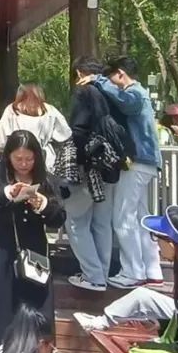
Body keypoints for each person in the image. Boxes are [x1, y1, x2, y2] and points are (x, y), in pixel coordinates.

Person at [75, 205, 178, 353]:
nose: (157, 245)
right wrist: (162, 325)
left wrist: (148, 347)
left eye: (157, 238)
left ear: (172, 245)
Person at [0, 130, 66, 352]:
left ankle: (36, 349)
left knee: (35, 301)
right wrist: (6, 194)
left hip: (35, 249)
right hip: (3, 249)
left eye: (29, 159)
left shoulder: (46, 179)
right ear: (9, 157)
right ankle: (0, 349)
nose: (24, 164)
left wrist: (43, 205)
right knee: (2, 299)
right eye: (18, 159)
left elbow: (59, 217)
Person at [95, 56, 164, 289]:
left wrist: (99, 81)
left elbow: (126, 103)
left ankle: (132, 271)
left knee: (123, 217)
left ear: (120, 74)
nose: (110, 82)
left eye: (111, 77)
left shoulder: (135, 93)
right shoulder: (141, 93)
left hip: (137, 162)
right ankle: (152, 269)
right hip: (145, 163)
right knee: (140, 217)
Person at [65, 57, 119, 293]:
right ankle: (102, 274)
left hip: (89, 166)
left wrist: (75, 162)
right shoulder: (112, 92)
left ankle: (93, 276)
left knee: (76, 221)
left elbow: (78, 130)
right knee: (102, 223)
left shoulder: (84, 92)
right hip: (110, 165)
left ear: (79, 73)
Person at [0, 84, 71, 170]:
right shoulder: (50, 110)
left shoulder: (11, 109)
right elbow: (65, 134)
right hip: (45, 159)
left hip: (18, 158)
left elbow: (2, 142)